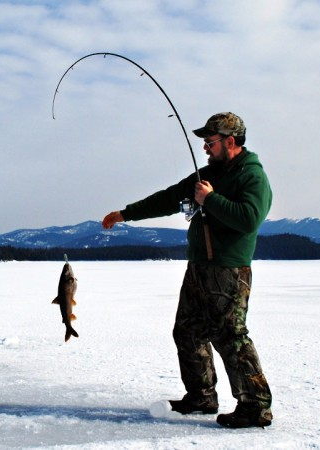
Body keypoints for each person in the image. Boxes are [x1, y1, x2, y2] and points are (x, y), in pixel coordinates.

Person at [102, 112, 273, 428]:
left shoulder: (252, 177)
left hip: (228, 270)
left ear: (230, 142)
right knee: (188, 330)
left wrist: (210, 199)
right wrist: (126, 213)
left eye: (210, 142)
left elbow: (249, 218)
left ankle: (256, 406)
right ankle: (201, 396)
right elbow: (169, 198)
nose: (206, 148)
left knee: (231, 336)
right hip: (199, 267)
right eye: (205, 142)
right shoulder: (206, 173)